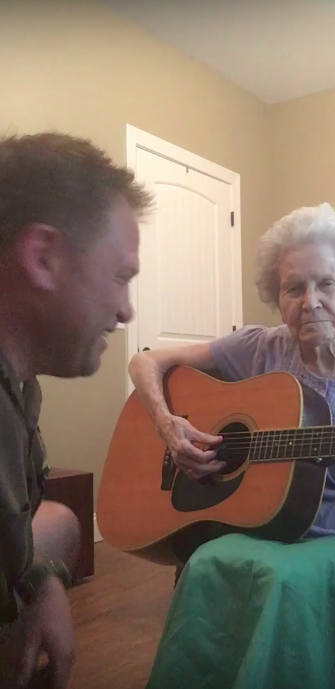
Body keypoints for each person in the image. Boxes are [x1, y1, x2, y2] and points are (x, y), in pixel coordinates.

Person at [130, 203, 335, 689]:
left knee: (287, 582)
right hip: (273, 528)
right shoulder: (260, 348)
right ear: (277, 299)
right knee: (208, 564)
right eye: (293, 288)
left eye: (326, 284)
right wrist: (167, 424)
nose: (309, 301)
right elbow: (145, 362)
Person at [0, 132, 151, 689]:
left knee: (60, 522)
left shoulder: (21, 387)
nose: (127, 310)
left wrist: (41, 580)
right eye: (121, 276)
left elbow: (36, 525)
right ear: (42, 257)